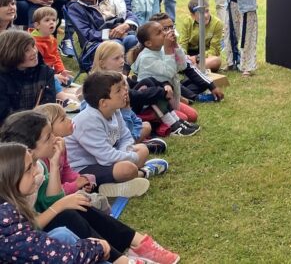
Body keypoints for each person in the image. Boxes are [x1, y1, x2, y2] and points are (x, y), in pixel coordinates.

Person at [0, 111, 179, 264]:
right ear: (29, 148)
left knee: (74, 208)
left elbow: (50, 202)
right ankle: (122, 259)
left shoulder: (35, 168)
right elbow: (27, 232)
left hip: (35, 237)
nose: (55, 139)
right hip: (33, 242)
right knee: (67, 215)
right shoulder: (8, 200)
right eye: (48, 137)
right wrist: (61, 207)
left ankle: (136, 243)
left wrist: (55, 165)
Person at [0, 142, 108, 264]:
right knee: (68, 221)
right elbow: (68, 258)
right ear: (11, 177)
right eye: (29, 168)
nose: (35, 172)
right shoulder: (5, 220)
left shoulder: (8, 210)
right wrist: (99, 247)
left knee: (62, 234)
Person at [65, 71, 168, 194]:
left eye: (123, 87)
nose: (125, 91)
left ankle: (113, 185)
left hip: (104, 160)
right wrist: (132, 158)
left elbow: (125, 137)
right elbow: (106, 158)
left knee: (143, 149)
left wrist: (126, 152)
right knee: (127, 169)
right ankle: (143, 172)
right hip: (82, 169)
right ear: (103, 102)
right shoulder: (88, 121)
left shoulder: (115, 110)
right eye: (118, 90)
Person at [130, 21, 200, 136]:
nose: (164, 33)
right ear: (148, 43)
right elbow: (169, 73)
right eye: (159, 32)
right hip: (151, 104)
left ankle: (175, 121)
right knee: (185, 116)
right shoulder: (146, 58)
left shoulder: (162, 50)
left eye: (164, 30)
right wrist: (168, 50)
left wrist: (175, 47)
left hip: (169, 97)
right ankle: (168, 126)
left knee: (192, 116)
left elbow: (182, 65)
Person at [91, 42, 164, 147]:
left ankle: (133, 142)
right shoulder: (101, 88)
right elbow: (117, 129)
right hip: (111, 136)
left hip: (124, 125)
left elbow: (133, 119)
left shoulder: (120, 78)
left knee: (146, 125)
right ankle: (131, 144)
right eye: (116, 58)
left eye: (122, 57)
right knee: (145, 128)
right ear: (102, 63)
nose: (122, 61)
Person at [64, 0, 139, 66]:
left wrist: (126, 25)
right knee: (115, 45)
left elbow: (128, 14)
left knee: (132, 40)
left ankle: (124, 72)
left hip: (117, 37)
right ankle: (112, 76)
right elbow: (86, 33)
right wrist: (111, 34)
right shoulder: (75, 8)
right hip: (93, 45)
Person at [150, 12, 224, 103]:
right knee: (170, 83)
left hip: (174, 82)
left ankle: (183, 94)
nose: (170, 32)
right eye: (165, 29)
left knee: (202, 79)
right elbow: (165, 76)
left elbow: (187, 67)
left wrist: (212, 86)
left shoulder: (173, 45)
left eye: (172, 27)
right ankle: (194, 97)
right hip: (160, 85)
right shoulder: (151, 50)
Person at [0, 30, 56, 124]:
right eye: (27, 50)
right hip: (9, 129)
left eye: (33, 46)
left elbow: (49, 106)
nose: (34, 52)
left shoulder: (45, 72)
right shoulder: (2, 78)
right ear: (12, 53)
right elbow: (3, 115)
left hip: (40, 126)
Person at [30, 7, 72, 85]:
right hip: (38, 74)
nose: (51, 22)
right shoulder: (34, 43)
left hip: (50, 70)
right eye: (47, 20)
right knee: (60, 82)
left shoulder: (51, 38)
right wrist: (53, 76)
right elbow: (37, 66)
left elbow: (56, 56)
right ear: (37, 25)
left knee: (68, 80)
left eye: (54, 20)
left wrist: (61, 70)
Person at [179, 0, 223, 72]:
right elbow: (183, 44)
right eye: (201, 13)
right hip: (189, 56)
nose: (205, 15)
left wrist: (197, 58)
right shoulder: (187, 22)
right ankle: (192, 68)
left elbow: (214, 50)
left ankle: (192, 69)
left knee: (216, 61)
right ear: (192, 15)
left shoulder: (217, 24)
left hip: (205, 57)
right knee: (174, 57)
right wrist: (185, 56)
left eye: (207, 11)